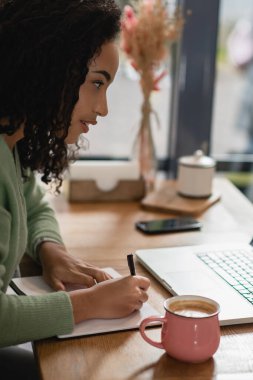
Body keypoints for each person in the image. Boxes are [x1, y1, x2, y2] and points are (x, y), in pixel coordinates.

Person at [0, 0, 150, 376]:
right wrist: (90, 304)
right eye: (96, 83)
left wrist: (52, 250)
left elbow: (33, 205)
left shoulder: (10, 143)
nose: (103, 109)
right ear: (49, 66)